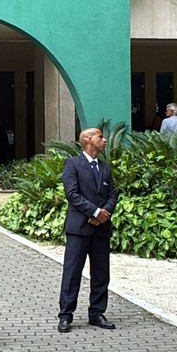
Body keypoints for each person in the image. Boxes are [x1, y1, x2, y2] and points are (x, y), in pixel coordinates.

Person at [57, 127, 118, 334]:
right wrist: (93, 211)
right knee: (72, 272)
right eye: (100, 136)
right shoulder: (72, 164)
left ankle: (97, 313)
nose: (105, 140)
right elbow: (72, 194)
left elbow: (113, 193)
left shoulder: (105, 167)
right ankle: (66, 315)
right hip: (79, 228)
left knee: (101, 273)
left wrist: (104, 213)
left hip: (101, 228)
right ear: (88, 139)